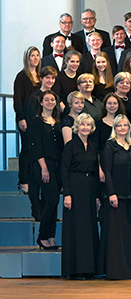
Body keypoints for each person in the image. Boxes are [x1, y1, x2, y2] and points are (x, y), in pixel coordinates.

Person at [60, 113, 101, 280]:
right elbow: (64, 171)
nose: (85, 128)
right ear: (76, 127)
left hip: (90, 188)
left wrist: (97, 196)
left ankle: (89, 268)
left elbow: (96, 173)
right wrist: (67, 194)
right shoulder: (70, 145)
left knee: (89, 228)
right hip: (75, 188)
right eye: (82, 125)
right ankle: (76, 269)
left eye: (88, 125)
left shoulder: (93, 146)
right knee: (76, 229)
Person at [101, 115, 131, 280]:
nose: (122, 128)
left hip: (130, 196)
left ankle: (129, 271)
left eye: (125, 125)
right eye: (119, 125)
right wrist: (112, 193)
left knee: (128, 234)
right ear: (114, 128)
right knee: (115, 234)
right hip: (116, 196)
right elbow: (107, 171)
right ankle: (116, 271)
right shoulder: (110, 146)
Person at [28, 90, 63, 250]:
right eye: (47, 100)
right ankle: (42, 236)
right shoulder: (36, 122)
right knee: (52, 200)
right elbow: (36, 146)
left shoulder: (58, 120)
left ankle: (51, 236)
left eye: (52, 99)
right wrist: (44, 168)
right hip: (43, 165)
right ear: (41, 103)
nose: (50, 102)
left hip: (57, 165)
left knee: (54, 202)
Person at [14, 47, 42, 198]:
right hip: (26, 118)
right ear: (27, 58)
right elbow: (17, 99)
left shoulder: (40, 75)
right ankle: (23, 180)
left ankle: (34, 180)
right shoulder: (22, 76)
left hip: (39, 119)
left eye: (37, 55)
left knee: (36, 149)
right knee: (26, 149)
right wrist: (21, 118)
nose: (36, 58)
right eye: (33, 55)